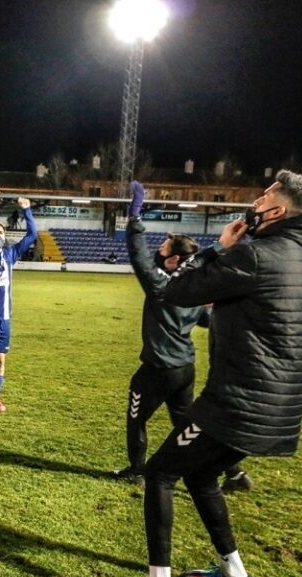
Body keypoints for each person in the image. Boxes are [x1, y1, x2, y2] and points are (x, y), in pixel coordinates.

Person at [110, 170, 302, 577]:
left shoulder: (258, 254)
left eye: (264, 195)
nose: (255, 201)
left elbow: (177, 290)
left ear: (277, 211)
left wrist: (221, 248)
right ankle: (233, 573)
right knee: (201, 476)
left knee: (159, 473)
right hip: (278, 410)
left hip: (236, 404)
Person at [110, 181, 209, 484]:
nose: (157, 250)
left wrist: (135, 216)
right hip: (185, 368)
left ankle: (137, 471)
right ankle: (227, 470)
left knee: (136, 418)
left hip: (158, 368)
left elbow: (137, 253)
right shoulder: (194, 286)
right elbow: (205, 320)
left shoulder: (160, 286)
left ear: (174, 259)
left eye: (163, 248)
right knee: (185, 421)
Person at [0, 197, 37, 412]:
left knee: (0, 361)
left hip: (3, 319)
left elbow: (32, 235)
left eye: (1, 233)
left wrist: (26, 210)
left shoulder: (10, 254)